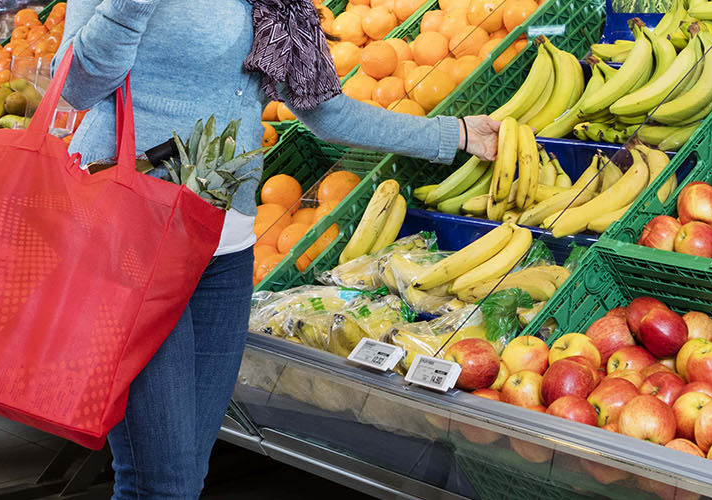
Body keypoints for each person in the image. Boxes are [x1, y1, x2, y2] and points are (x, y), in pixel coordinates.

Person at [59, 0, 500, 497]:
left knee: (186, 475)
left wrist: (453, 134)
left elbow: (325, 109)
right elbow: (75, 86)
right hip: (129, 240)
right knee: (160, 481)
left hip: (225, 252)